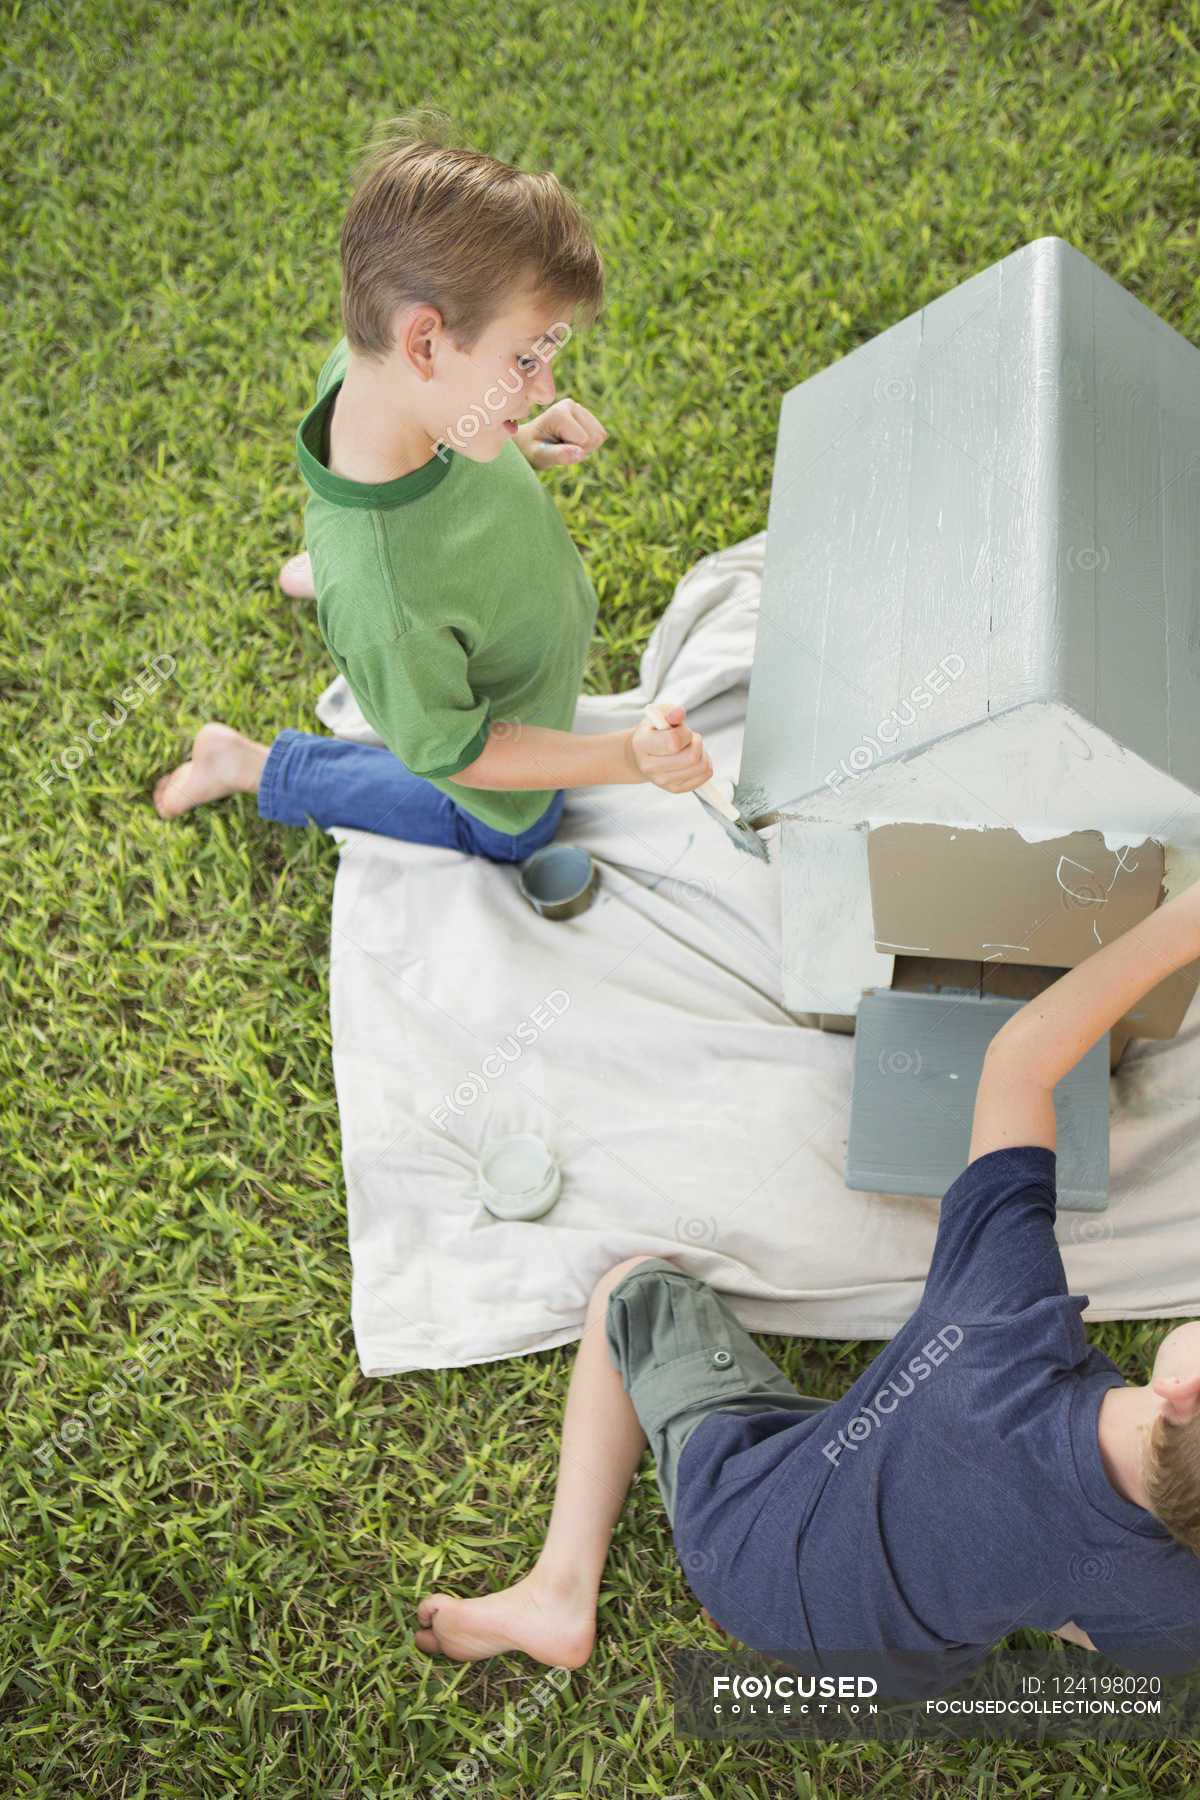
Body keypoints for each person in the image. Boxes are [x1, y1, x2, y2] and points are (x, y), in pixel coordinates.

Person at [414, 873, 1200, 1697]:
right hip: (893, 1669)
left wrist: (1181, 926)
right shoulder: (1178, 1597)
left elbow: (1021, 1063)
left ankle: (558, 1592)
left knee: (633, 1292)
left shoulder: (1001, 1325)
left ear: (1181, 1393)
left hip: (750, 1554)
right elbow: (1127, 1640)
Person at [153, 111, 712, 857]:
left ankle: (319, 571)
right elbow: (459, 751)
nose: (545, 385)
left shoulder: (383, 379)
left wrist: (524, 448)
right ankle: (250, 764)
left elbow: (410, 505)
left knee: (379, 574)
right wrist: (621, 759)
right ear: (423, 340)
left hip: (400, 582)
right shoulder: (390, 605)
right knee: (511, 828)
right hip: (495, 757)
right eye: (524, 360)